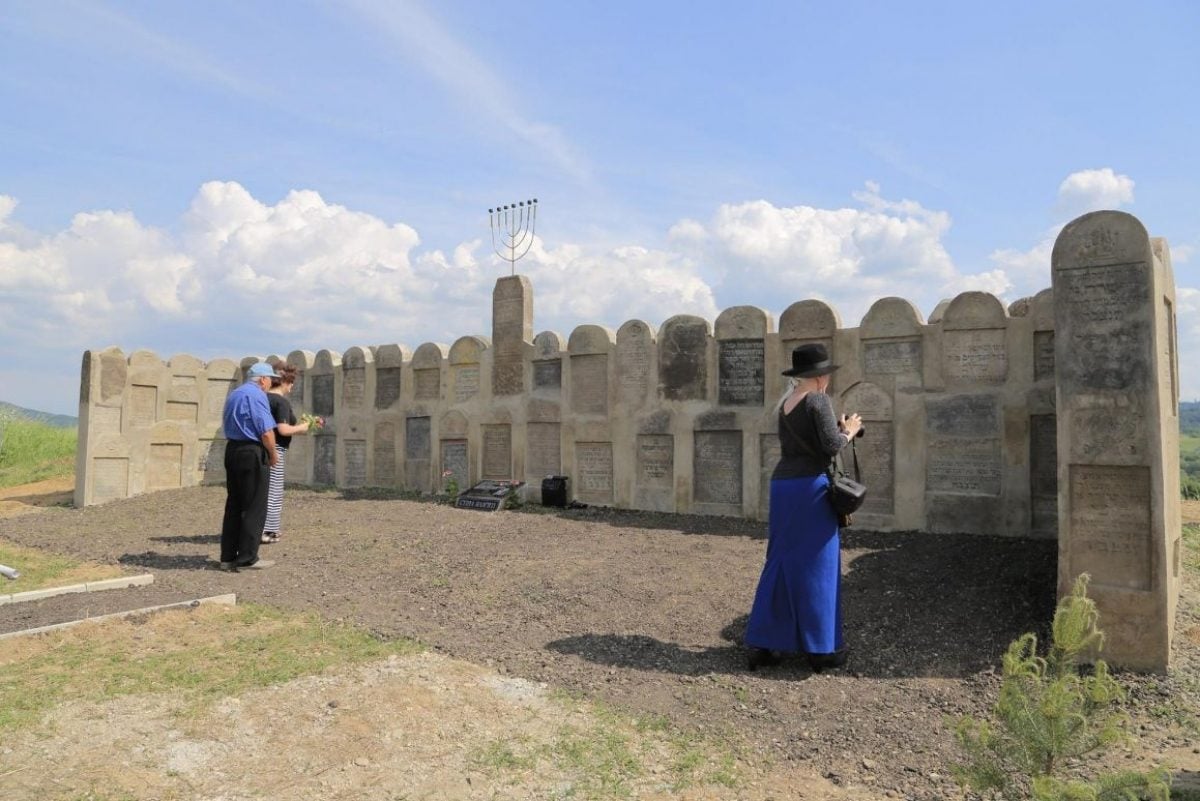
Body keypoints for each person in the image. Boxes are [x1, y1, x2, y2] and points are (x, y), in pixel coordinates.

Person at [744, 343, 862, 672]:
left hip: (784, 488)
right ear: (821, 376)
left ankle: (765, 644)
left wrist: (836, 431)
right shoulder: (818, 399)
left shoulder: (787, 403)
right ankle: (821, 651)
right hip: (810, 488)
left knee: (780, 562)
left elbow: (808, 443)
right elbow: (830, 446)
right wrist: (848, 431)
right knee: (818, 566)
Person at [218, 361, 280, 571]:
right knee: (254, 506)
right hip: (251, 452)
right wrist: (272, 454)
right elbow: (266, 431)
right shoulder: (256, 395)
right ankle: (247, 558)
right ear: (262, 379)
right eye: (270, 378)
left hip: (232, 449)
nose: (271, 383)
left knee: (234, 505)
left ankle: (227, 557)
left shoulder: (235, 394)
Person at [261, 363, 310, 544]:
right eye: (291, 382)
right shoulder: (280, 402)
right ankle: (269, 531)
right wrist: (303, 427)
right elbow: (282, 429)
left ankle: (261, 528)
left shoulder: (263, 398)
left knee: (262, 491)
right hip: (276, 450)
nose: (292, 386)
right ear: (284, 382)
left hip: (261, 449)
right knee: (274, 492)